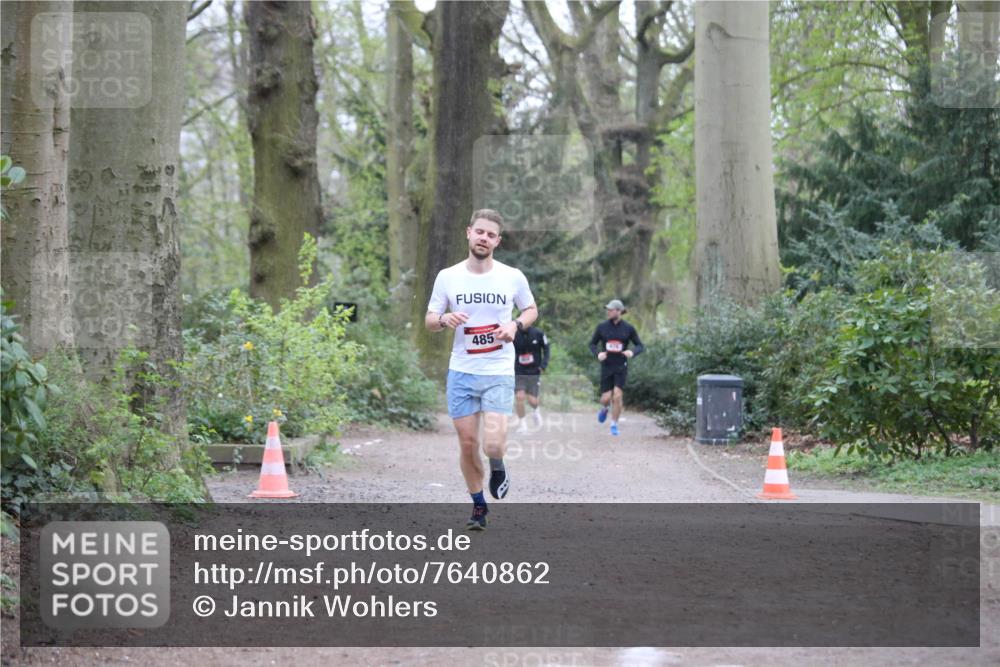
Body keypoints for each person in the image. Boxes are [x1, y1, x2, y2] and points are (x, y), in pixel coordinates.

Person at [425, 209, 537, 530]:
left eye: (490, 235)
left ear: (497, 241)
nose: (483, 238)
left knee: (493, 444)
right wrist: (444, 319)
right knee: (468, 444)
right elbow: (431, 319)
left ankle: (498, 464)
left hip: (498, 369)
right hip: (461, 371)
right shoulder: (448, 276)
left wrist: (515, 325)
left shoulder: (511, 276)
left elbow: (531, 309)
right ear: (468, 233)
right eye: (479, 232)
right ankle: (478, 505)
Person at [588, 299, 644, 436]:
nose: (608, 312)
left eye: (611, 309)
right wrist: (598, 354)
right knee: (606, 398)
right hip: (607, 366)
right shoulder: (602, 327)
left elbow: (640, 345)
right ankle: (605, 408)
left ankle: (614, 424)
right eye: (607, 309)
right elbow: (592, 344)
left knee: (617, 396)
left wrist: (632, 352)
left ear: (619, 311)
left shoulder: (628, 328)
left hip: (621, 365)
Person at [513, 324, 550, 434]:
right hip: (519, 371)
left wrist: (543, 365)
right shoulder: (514, 333)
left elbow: (547, 349)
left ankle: (536, 410)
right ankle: (523, 424)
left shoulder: (539, 333)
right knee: (519, 397)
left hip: (534, 371)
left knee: (532, 400)